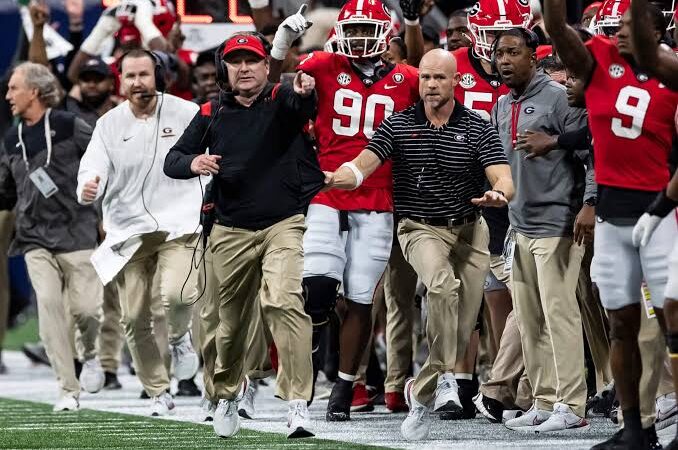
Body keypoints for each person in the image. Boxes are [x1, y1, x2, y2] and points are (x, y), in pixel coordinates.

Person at [324, 48, 514, 441]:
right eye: (425, 78)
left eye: (439, 78)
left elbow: (503, 176)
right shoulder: (398, 125)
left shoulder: (477, 126)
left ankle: (421, 389)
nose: (430, 85)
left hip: (470, 230)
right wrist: (331, 178)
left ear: (455, 81)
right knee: (442, 286)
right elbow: (362, 165)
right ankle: (444, 378)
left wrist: (499, 193)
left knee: (462, 328)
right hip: (419, 227)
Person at [164, 32, 323, 439]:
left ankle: (297, 403)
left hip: (282, 223)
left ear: (266, 67)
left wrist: (302, 89)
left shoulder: (281, 100)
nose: (244, 68)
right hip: (229, 229)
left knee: (285, 302)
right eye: (235, 62)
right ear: (225, 70)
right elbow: (172, 159)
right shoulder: (210, 112)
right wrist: (194, 160)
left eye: (251, 60)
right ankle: (227, 393)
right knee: (228, 326)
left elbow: (301, 102)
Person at [545, 0, 678, 447]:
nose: (619, 32)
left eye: (630, 24)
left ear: (657, 32)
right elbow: (557, 27)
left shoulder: (672, 73)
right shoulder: (599, 59)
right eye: (616, 25)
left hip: (659, 214)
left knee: (671, 321)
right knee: (620, 324)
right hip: (611, 214)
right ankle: (634, 428)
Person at [295, 0, 421, 421]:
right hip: (328, 189)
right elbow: (278, 88)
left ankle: (345, 385)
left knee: (362, 298)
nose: (362, 38)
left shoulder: (408, 78)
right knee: (316, 287)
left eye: (370, 29)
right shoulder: (321, 65)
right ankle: (311, 353)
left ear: (388, 34)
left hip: (378, 195)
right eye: (355, 28)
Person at [76, 49, 203, 417]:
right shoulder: (109, 124)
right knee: (133, 317)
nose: (137, 83)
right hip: (129, 231)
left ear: (158, 75)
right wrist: (88, 185)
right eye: (130, 76)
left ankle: (180, 340)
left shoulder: (186, 113)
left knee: (178, 295)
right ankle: (158, 390)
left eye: (144, 75)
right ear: (121, 80)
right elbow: (92, 166)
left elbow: (213, 155)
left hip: (180, 222)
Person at [492, 27, 591, 433]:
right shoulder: (501, 105)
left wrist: (590, 204)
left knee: (560, 315)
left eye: (514, 52)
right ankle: (544, 399)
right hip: (520, 226)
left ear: (534, 56)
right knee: (530, 318)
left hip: (558, 224)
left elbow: (593, 153)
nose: (504, 60)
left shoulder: (560, 96)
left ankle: (572, 404)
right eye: (500, 53)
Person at [1, 62, 104, 411]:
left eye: (14, 88)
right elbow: (6, 190)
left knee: (88, 311)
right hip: (33, 238)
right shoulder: (10, 138)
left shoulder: (67, 124)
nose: (8, 96)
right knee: (48, 306)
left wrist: (100, 196)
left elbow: (102, 159)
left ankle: (90, 354)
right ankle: (67, 389)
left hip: (77, 231)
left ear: (34, 91)